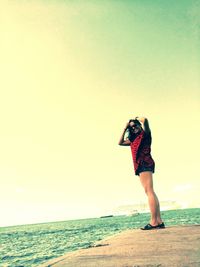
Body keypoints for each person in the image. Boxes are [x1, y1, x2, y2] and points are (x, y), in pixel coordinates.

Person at [118, 116, 165, 230]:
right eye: (131, 127)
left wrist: (137, 118)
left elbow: (146, 120)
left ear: (139, 125)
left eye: (135, 125)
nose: (134, 128)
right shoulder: (133, 140)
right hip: (140, 165)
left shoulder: (145, 135)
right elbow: (120, 142)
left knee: (149, 191)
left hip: (145, 163)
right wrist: (125, 128)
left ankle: (154, 222)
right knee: (150, 191)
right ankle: (159, 221)